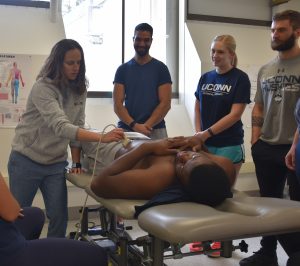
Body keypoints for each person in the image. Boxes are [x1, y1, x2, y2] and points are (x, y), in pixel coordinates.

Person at [7, 39, 124, 238]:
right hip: (25, 160)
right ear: (58, 62)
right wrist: (102, 138)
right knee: (19, 217)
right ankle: (19, 255)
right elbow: (61, 126)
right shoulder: (43, 87)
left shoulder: (80, 89)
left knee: (59, 217)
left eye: (79, 62)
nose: (75, 67)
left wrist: (76, 161)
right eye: (70, 63)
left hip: (55, 164)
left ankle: (54, 255)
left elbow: (77, 125)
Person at [240, 10, 300, 266]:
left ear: (296, 32)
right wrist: (256, 140)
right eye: (273, 30)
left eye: (281, 30)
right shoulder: (266, 69)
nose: (275, 35)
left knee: (295, 208)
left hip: (295, 147)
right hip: (267, 146)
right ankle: (267, 253)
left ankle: (297, 255)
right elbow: (259, 106)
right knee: (268, 204)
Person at [191, 34, 251, 256]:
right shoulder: (205, 77)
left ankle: (221, 240)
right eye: (213, 51)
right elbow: (197, 107)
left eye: (220, 52)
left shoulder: (240, 78)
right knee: (203, 192)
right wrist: (198, 135)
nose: (215, 55)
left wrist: (206, 134)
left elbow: (235, 115)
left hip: (228, 144)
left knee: (224, 195)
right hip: (205, 144)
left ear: (231, 55)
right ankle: (203, 236)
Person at [79, 137, 236, 207]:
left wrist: (147, 148)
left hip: (110, 153)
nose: (181, 155)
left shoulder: (160, 176)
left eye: (181, 166)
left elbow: (98, 185)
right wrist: (199, 144)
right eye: (193, 157)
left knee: (79, 132)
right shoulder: (225, 165)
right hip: (135, 138)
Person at [0, 171, 108, 266]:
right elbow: (11, 212)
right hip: (8, 252)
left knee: (36, 214)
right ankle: (25, 257)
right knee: (98, 254)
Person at [113, 23, 172, 140]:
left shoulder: (161, 68)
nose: (142, 44)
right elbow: (117, 104)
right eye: (138, 39)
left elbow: (165, 104)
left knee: (161, 159)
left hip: (155, 130)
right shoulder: (122, 70)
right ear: (133, 39)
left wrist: (146, 126)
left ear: (151, 41)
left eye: (146, 40)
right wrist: (135, 126)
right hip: (127, 129)